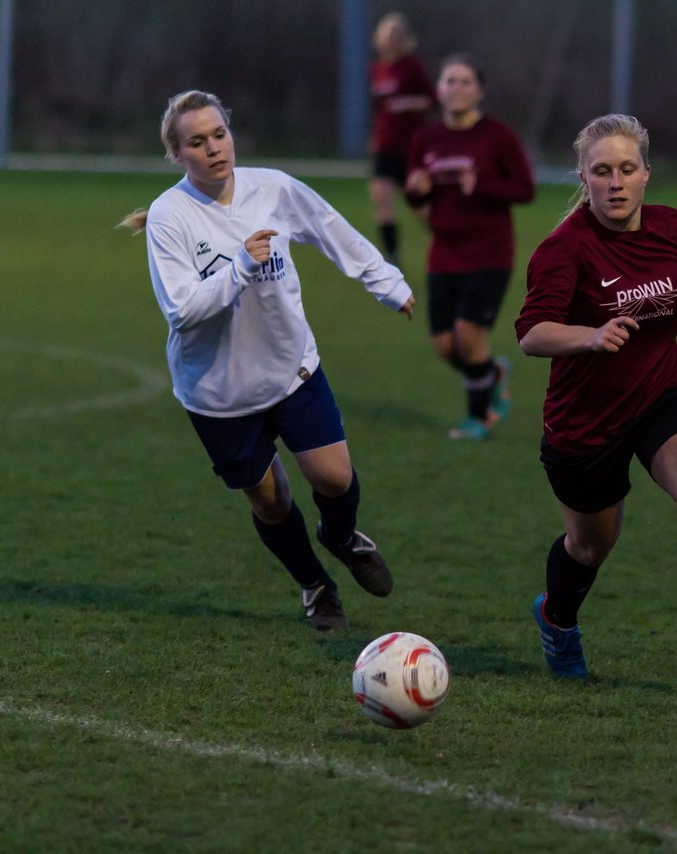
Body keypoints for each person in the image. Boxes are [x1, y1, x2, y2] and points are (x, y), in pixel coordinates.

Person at [119, 90, 416, 631]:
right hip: (218, 393)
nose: (212, 148)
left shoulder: (272, 188)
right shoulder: (169, 216)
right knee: (272, 502)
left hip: (290, 369)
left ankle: (342, 537)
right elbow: (182, 311)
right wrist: (237, 268)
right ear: (176, 154)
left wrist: (386, 283)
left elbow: (331, 230)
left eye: (219, 135)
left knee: (334, 476)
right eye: (196, 142)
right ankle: (316, 586)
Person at [515, 114, 677, 680]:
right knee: (590, 548)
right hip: (583, 424)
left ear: (646, 176)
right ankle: (558, 619)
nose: (616, 182)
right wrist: (589, 337)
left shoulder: (671, 228)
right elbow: (533, 332)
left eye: (627, 170)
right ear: (584, 179)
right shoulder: (564, 250)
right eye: (602, 171)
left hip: (661, 398)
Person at [405, 53, 535, 440]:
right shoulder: (425, 138)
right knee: (446, 346)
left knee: (468, 335)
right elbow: (416, 197)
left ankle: (478, 419)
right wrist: (416, 193)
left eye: (465, 82)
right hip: (444, 253)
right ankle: (492, 373)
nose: (456, 88)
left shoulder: (497, 136)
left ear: (478, 91)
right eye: (449, 81)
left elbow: (525, 190)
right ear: (439, 90)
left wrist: (482, 185)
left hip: (489, 252)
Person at [368, 11, 435, 267]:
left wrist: (410, 102)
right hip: (384, 146)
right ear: (379, 38)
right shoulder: (377, 69)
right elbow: (379, 108)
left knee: (419, 205)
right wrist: (374, 138)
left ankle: (452, 243)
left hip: (409, 146)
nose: (391, 38)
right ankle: (392, 258)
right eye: (388, 33)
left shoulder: (412, 66)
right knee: (382, 200)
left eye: (397, 34)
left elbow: (431, 99)